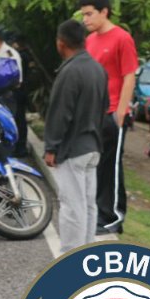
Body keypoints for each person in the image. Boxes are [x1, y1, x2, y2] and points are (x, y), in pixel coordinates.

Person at [43, 19, 109, 251]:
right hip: (93, 147)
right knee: (88, 204)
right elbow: (104, 107)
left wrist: (51, 147)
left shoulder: (70, 71)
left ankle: (70, 256)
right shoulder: (98, 69)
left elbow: (60, 113)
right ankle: (88, 251)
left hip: (72, 149)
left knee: (72, 206)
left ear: (61, 43)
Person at [80, 0, 138, 235]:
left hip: (113, 111)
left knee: (111, 167)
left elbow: (129, 76)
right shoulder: (90, 40)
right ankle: (97, 213)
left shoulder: (122, 38)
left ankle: (112, 217)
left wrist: (121, 111)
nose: (85, 19)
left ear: (104, 11)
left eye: (89, 14)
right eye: (83, 15)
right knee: (95, 165)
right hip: (92, 112)